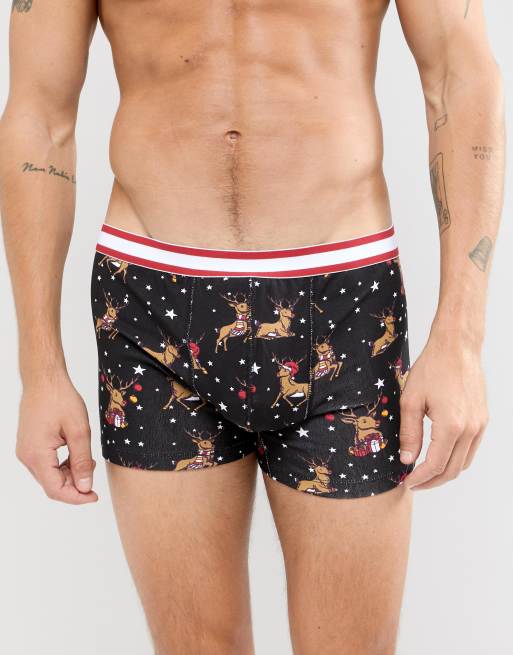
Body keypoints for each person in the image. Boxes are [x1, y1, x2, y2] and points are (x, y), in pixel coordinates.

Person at [0, 1, 504, 653]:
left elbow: (460, 76)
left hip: (343, 305)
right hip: (151, 309)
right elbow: (39, 117)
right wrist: (39, 369)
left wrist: (461, 339)